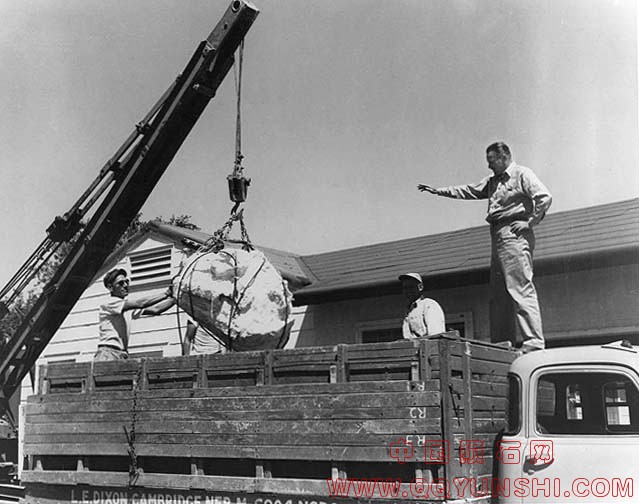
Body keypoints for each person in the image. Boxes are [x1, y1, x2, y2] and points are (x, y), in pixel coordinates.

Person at [418, 142, 551, 353]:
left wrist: (530, 221)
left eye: (492, 161)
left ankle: (533, 343)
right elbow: (468, 190)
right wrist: (438, 191)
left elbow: (544, 197)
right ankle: (502, 343)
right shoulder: (493, 182)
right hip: (497, 234)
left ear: (504, 157)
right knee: (499, 292)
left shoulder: (521, 174)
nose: (489, 167)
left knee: (520, 287)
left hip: (514, 232)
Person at [94, 268, 176, 361]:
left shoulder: (124, 306)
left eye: (126, 282)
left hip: (121, 353)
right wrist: (166, 294)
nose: (125, 285)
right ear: (110, 287)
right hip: (108, 353)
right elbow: (141, 303)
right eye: (120, 283)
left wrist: (175, 298)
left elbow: (155, 310)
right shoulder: (110, 303)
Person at [399, 272, 445, 338]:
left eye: (411, 287)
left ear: (420, 287)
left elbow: (435, 336)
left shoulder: (429, 305)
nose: (408, 291)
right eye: (405, 288)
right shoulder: (408, 310)